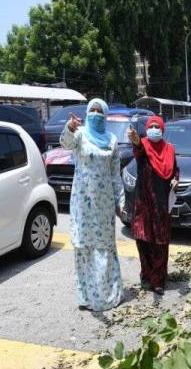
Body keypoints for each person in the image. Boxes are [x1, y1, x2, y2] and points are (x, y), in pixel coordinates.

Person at [60, 98, 125, 312]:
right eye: (92, 110)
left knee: (104, 247)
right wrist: (69, 128)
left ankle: (106, 296)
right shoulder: (80, 136)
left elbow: (115, 175)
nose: (95, 113)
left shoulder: (112, 140)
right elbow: (65, 143)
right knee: (83, 246)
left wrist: (120, 201)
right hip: (82, 203)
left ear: (105, 115)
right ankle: (86, 297)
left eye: (99, 111)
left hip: (104, 204)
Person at [128, 116, 179, 295]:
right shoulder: (143, 146)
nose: (154, 129)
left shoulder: (170, 149)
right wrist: (135, 140)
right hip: (143, 204)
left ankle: (158, 280)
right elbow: (138, 149)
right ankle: (146, 276)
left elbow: (175, 170)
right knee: (143, 241)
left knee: (160, 243)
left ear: (163, 129)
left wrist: (175, 180)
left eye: (158, 126)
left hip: (161, 205)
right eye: (151, 126)